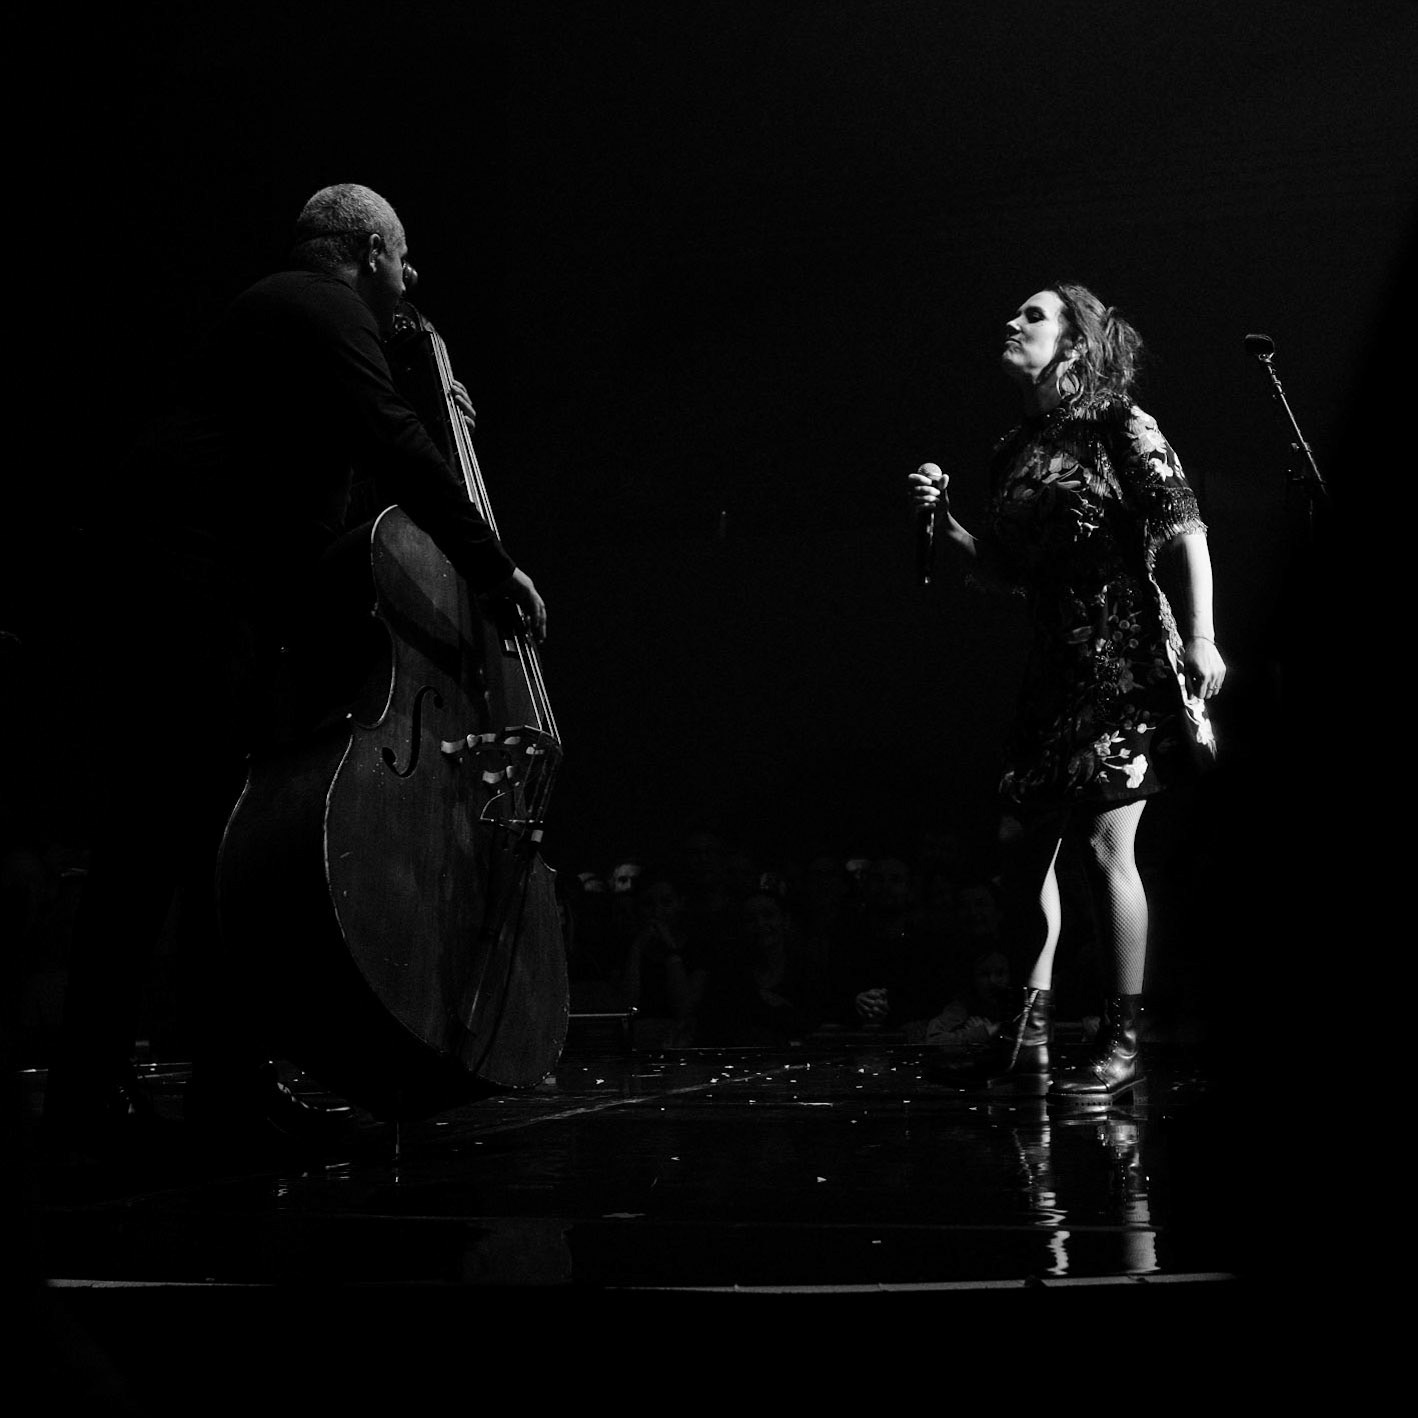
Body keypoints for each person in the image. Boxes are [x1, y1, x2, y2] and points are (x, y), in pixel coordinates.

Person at [44, 183, 548, 1155]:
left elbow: (332, 506)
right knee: (156, 839)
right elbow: (392, 443)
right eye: (402, 256)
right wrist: (492, 567)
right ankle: (94, 1097)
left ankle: (221, 1091)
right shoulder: (313, 302)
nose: (411, 277)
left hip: (208, 590)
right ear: (368, 249)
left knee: (206, 848)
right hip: (186, 588)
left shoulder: (295, 324)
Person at [908, 282, 1225, 1100]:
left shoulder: (1119, 423)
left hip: (1124, 657)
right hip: (1053, 667)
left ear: (1075, 344)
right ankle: (1027, 1035)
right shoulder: (1012, 449)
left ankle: (1122, 1040)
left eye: (1034, 315)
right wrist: (947, 524)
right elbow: (1005, 570)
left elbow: (1184, 526)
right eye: (1014, 313)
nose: (1012, 323)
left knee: (1102, 847)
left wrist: (1201, 636)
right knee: (1021, 851)